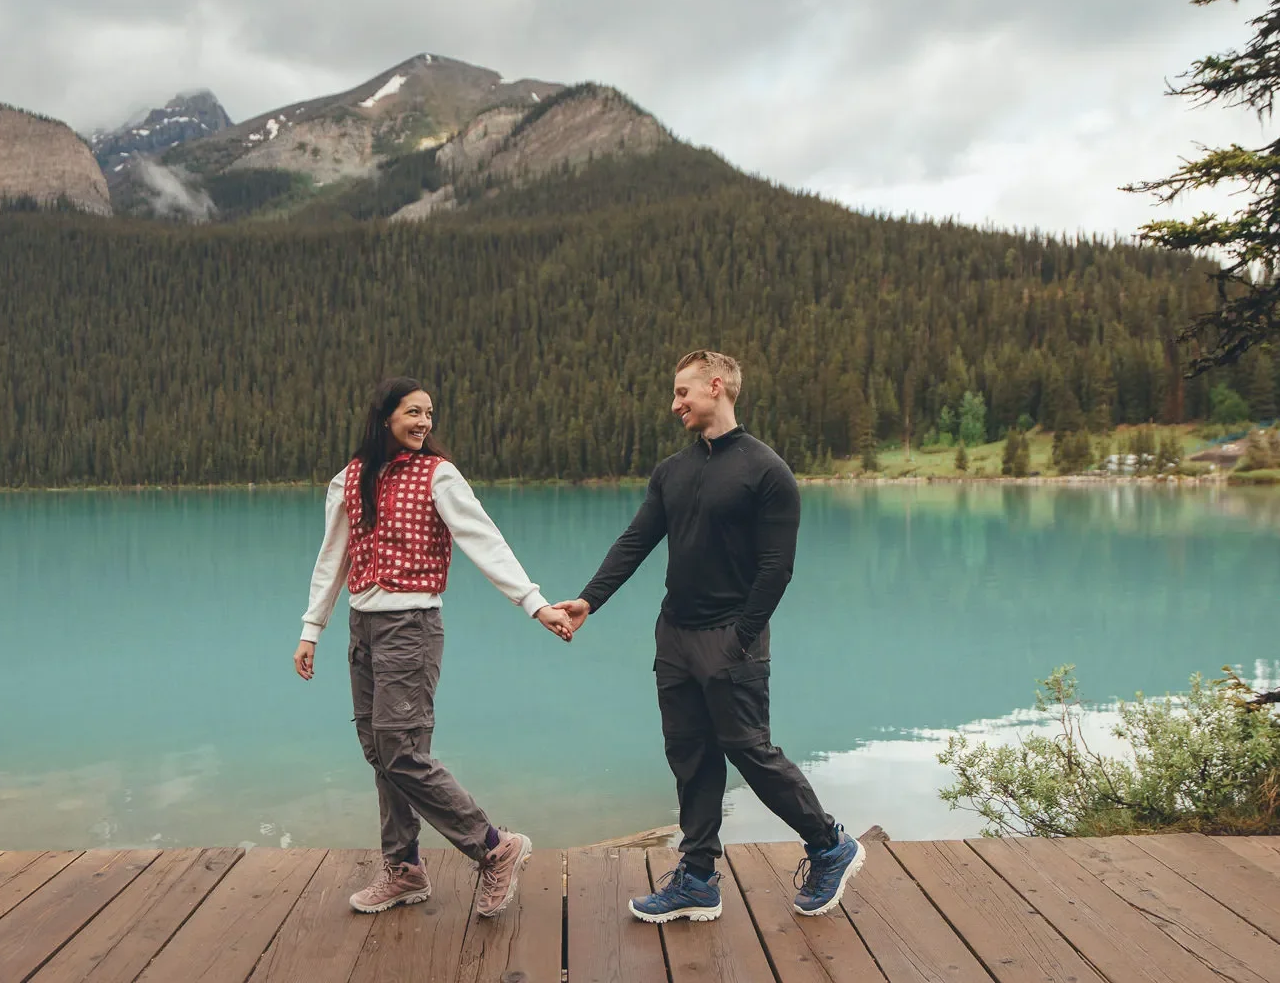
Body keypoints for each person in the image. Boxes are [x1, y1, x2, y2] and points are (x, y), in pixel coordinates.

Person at [553, 350, 864, 923]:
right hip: (675, 635)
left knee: (750, 751)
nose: (675, 405)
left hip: (731, 639)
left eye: (682, 393)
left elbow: (777, 568)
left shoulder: (766, 471)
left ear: (715, 387)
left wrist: (740, 639)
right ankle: (697, 878)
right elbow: (636, 540)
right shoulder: (673, 471)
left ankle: (829, 844)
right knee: (690, 755)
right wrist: (589, 599)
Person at [294, 375, 574, 918]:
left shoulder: (437, 474)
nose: (424, 422)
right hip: (362, 628)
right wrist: (312, 629)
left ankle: (494, 847)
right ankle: (404, 868)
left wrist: (534, 603)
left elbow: (483, 539)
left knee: (400, 750)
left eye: (428, 413)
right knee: (380, 752)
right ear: (385, 417)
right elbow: (333, 557)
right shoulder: (349, 479)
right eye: (413, 412)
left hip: (411, 627)